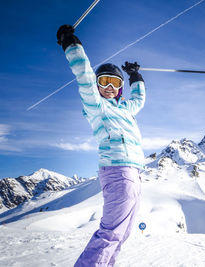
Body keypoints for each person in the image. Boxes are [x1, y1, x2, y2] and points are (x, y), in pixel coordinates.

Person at [57, 24, 145, 267]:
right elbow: (84, 78)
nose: (109, 87)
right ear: (97, 85)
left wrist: (135, 76)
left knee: (122, 234)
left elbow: (138, 99)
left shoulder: (125, 108)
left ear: (120, 88)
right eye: (104, 81)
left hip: (134, 173)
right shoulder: (96, 106)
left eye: (115, 83)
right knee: (111, 232)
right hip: (118, 171)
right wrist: (72, 46)